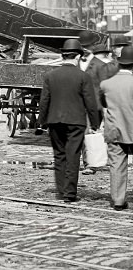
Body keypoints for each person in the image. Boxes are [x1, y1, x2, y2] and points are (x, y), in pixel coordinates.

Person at [38, 37, 102, 202]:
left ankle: (61, 191)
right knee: (73, 156)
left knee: (59, 155)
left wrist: (42, 121)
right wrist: (95, 123)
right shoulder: (83, 76)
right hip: (76, 122)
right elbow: (90, 102)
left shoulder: (50, 76)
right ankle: (69, 193)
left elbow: (44, 101)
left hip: (54, 121)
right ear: (77, 56)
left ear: (63, 56)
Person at [100, 44, 133, 210]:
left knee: (117, 165)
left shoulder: (106, 84)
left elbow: (103, 104)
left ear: (119, 63)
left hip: (114, 130)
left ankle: (118, 200)